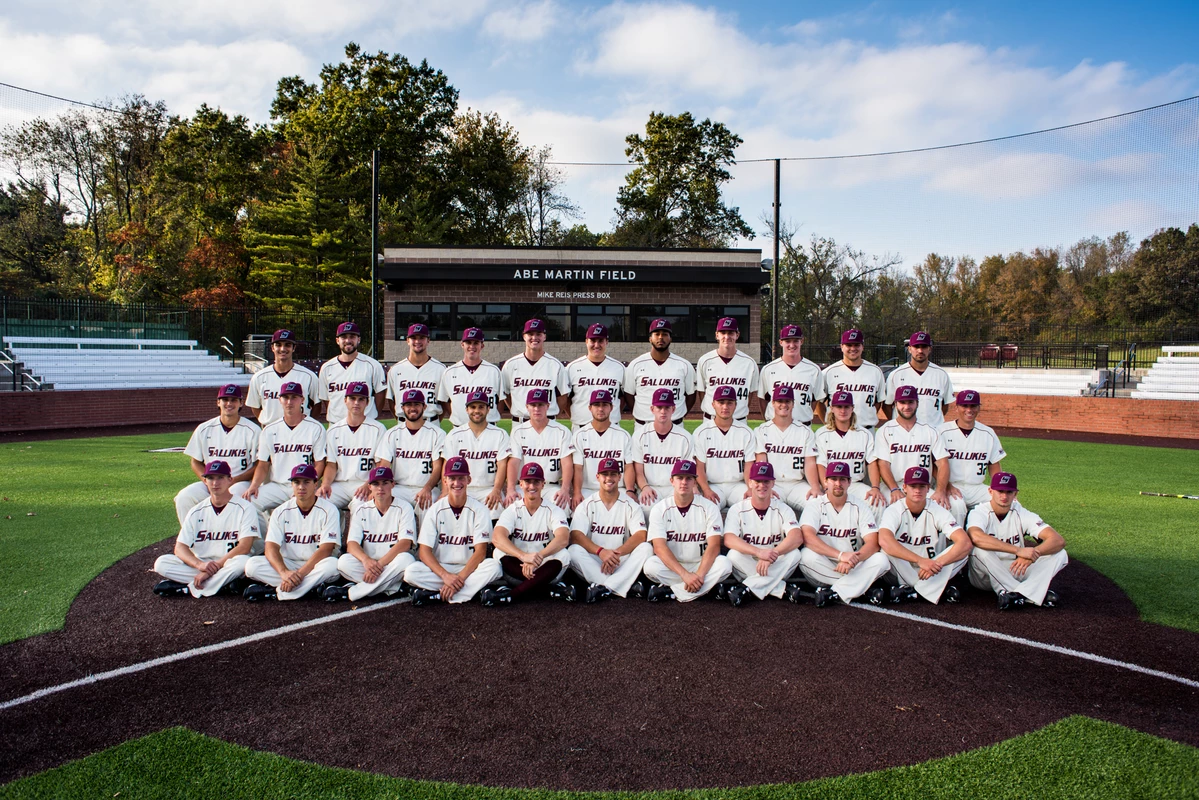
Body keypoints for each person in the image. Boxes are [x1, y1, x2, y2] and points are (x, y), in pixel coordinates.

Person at [404, 456, 505, 606]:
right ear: (444, 481)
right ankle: (471, 591)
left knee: (494, 567)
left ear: (468, 480)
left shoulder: (480, 510)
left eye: (461, 478)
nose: (456, 483)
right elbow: (424, 552)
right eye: (452, 478)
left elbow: (480, 552)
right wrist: (446, 576)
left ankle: (438, 595)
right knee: (411, 572)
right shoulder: (435, 510)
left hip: (469, 569)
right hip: (441, 569)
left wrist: (461, 578)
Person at [153, 461, 260, 598]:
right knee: (161, 563)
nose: (215, 483)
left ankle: (187, 587)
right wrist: (200, 566)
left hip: (228, 563)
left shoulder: (245, 507)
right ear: (204, 480)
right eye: (211, 478)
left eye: (220, 477)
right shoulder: (196, 511)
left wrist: (211, 570)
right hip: (203, 564)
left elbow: (245, 547)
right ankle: (221, 585)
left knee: (244, 563)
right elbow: (180, 548)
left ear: (230, 480)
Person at [967, 472, 1068, 609]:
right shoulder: (979, 512)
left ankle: (1017, 595)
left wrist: (1033, 554)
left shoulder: (1021, 513)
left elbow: (1057, 540)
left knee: (1060, 554)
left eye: (1009, 492)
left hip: (1015, 568)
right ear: (990, 491)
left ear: (1015, 494)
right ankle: (1032, 593)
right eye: (1000, 491)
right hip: (984, 576)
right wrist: (1018, 550)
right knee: (979, 550)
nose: (1004, 496)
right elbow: (976, 537)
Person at [797, 461, 890, 607]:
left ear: (849, 482)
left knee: (882, 559)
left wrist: (852, 561)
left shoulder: (860, 506)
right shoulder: (814, 505)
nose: (838, 483)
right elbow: (808, 538)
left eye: (842, 479)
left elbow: (873, 543)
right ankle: (861, 589)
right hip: (825, 564)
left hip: (854, 564)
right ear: (826, 481)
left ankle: (835, 592)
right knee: (804, 556)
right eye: (833, 479)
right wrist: (840, 556)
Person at [243, 464, 341, 601]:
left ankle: (277, 590)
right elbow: (271, 547)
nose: (301, 487)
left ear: (315, 484)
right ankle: (308, 588)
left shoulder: (329, 510)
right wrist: (284, 572)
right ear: (292, 485)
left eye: (306, 482)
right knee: (251, 566)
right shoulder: (280, 511)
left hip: (316, 565)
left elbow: (326, 549)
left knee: (333, 566)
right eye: (297, 482)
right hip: (288, 564)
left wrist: (300, 574)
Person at [878, 466, 972, 604]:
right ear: (904, 487)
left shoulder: (938, 510)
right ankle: (935, 588)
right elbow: (884, 540)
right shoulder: (894, 510)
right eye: (913, 486)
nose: (917, 490)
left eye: (922, 486)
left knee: (963, 553)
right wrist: (920, 561)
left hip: (933, 569)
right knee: (885, 551)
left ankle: (913, 592)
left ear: (928, 488)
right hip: (904, 568)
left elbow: (965, 542)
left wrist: (937, 563)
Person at [643, 459, 732, 602]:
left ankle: (673, 591)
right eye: (679, 478)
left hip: (702, 565)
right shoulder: (659, 509)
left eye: (689, 478)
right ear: (672, 481)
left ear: (695, 482)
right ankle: (705, 589)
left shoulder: (710, 508)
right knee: (650, 566)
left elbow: (714, 546)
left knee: (725, 564)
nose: (684, 482)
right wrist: (685, 575)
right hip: (673, 567)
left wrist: (700, 575)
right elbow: (659, 548)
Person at [325, 467, 417, 603]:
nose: (380, 488)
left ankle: (352, 592)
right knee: (343, 562)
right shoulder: (362, 509)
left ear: (393, 484)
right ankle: (394, 587)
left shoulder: (404, 507)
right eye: (376, 484)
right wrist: (366, 561)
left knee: (406, 560)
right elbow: (352, 544)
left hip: (391, 563)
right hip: (369, 565)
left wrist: (379, 565)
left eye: (385, 483)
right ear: (369, 487)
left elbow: (405, 543)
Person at [174, 384, 261, 525]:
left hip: (240, 482)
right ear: (218, 402)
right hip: (211, 482)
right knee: (185, 497)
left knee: (236, 496)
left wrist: (234, 480)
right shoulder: (204, 429)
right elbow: (195, 461)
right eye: (225, 399)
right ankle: (191, 541)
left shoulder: (252, 430)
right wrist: (207, 481)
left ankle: (236, 541)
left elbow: (259, 465)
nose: (229, 403)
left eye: (233, 400)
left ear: (240, 403)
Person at [568, 457, 652, 602]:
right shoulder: (587, 504)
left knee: (646, 548)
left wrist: (616, 555)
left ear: (620, 477)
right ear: (598, 477)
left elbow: (640, 535)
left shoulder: (630, 504)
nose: (609, 478)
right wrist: (601, 552)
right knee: (573, 551)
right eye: (605, 474)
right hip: (595, 558)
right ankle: (621, 585)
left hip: (620, 559)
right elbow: (575, 535)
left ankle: (604, 588)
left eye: (613, 474)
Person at [722, 462, 804, 606]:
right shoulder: (737, 509)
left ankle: (748, 588)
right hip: (750, 561)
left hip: (774, 561)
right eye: (758, 481)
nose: (762, 485)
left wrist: (772, 554)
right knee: (733, 556)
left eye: (766, 481)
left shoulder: (783, 508)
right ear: (750, 483)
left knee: (795, 554)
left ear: (773, 483)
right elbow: (729, 539)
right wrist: (759, 552)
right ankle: (781, 589)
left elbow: (797, 537)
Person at [490, 463, 572, 602]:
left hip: (544, 564)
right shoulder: (513, 509)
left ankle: (512, 595)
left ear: (543, 484)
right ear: (520, 484)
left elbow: (563, 539)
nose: (532, 486)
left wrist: (537, 558)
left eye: (536, 482)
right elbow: (497, 537)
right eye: (528, 481)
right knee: (498, 552)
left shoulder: (553, 510)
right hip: (520, 568)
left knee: (564, 554)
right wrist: (523, 557)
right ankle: (547, 591)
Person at [242, 381, 327, 515]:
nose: (289, 402)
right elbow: (263, 465)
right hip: (278, 486)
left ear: (302, 400)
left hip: (304, 484)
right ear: (280, 400)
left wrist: (309, 485)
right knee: (249, 501)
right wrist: (254, 486)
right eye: (286, 397)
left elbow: (320, 463)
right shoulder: (269, 430)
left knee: (325, 504)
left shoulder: (315, 428)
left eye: (294, 397)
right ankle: (264, 535)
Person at [934, 390, 1007, 525]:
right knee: (957, 507)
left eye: (973, 406)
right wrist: (946, 486)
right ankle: (957, 543)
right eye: (964, 406)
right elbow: (934, 465)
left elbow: (994, 465)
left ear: (979, 408)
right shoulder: (942, 431)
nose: (969, 410)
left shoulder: (988, 433)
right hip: (953, 485)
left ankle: (1002, 538)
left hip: (977, 487)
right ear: (956, 408)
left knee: (1009, 501)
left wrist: (1000, 489)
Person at [372, 389, 445, 522]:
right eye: (408, 405)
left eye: (416, 404)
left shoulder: (437, 433)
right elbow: (384, 465)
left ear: (424, 406)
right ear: (402, 408)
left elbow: (438, 467)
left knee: (427, 503)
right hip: (399, 487)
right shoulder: (392, 434)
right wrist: (383, 487)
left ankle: (425, 542)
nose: (412, 408)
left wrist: (427, 488)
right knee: (382, 497)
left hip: (426, 487)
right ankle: (393, 540)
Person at [442, 389, 511, 520]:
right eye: (473, 407)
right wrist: (446, 491)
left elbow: (502, 465)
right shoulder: (455, 434)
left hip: (488, 489)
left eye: (481, 407)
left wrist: (497, 490)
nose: (477, 411)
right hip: (461, 488)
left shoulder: (500, 434)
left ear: (488, 409)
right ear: (467, 409)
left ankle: (490, 541)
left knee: (496, 509)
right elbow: (447, 465)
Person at [875, 385, 947, 507]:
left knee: (942, 504)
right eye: (902, 402)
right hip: (895, 484)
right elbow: (883, 464)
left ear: (917, 403)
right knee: (879, 504)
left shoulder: (930, 430)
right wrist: (894, 489)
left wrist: (940, 491)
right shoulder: (884, 431)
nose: (907, 407)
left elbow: (943, 463)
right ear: (895, 404)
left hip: (922, 486)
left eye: (910, 402)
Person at [320, 382, 387, 512]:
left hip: (365, 483)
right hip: (339, 484)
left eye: (361, 399)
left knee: (359, 507)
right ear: (345, 400)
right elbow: (331, 465)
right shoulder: (334, 430)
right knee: (320, 502)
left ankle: (355, 534)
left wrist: (370, 484)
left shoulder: (378, 429)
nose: (356, 403)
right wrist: (325, 484)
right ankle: (332, 533)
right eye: (352, 398)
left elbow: (381, 465)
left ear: (367, 402)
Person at [814, 390, 887, 511]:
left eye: (846, 407)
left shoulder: (864, 434)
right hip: (832, 484)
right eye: (839, 406)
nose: (843, 411)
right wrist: (826, 487)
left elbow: (872, 463)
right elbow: (821, 465)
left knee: (877, 503)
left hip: (855, 483)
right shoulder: (821, 434)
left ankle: (870, 530)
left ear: (852, 408)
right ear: (831, 408)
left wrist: (875, 487)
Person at [753, 385, 820, 515]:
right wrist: (764, 485)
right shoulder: (761, 431)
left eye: (787, 401)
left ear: (793, 404)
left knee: (817, 503)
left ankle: (807, 534)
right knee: (769, 505)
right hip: (773, 483)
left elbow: (810, 462)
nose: (784, 405)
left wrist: (815, 487)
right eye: (780, 401)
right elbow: (761, 462)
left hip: (797, 484)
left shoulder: (805, 431)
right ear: (772, 403)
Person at [623, 318, 696, 432]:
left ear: (670, 338)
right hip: (644, 425)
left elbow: (691, 395)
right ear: (650, 339)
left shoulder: (684, 365)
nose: (660, 337)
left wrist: (679, 414)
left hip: (675, 425)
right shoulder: (636, 364)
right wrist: (641, 413)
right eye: (656, 334)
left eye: (665, 334)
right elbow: (628, 394)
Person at [507, 388, 575, 509]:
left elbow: (567, 462)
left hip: (551, 486)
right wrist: (511, 489)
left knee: (562, 504)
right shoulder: (518, 431)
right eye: (533, 405)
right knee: (513, 504)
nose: (537, 409)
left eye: (540, 405)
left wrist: (565, 489)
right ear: (527, 406)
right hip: (525, 485)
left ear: (548, 406)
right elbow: (514, 462)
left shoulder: (562, 431)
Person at [629, 388, 695, 510]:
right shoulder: (640, 435)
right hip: (650, 487)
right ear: (652, 409)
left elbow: (687, 472)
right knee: (646, 507)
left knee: (678, 508)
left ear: (673, 409)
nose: (663, 411)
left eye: (667, 407)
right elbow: (638, 471)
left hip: (675, 487)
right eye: (659, 407)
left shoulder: (685, 437)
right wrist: (644, 487)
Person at [692, 385, 755, 510]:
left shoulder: (746, 432)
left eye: (729, 403)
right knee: (707, 508)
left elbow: (749, 466)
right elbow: (699, 467)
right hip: (712, 485)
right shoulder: (701, 432)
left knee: (752, 504)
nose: (725, 407)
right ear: (713, 404)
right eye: (721, 402)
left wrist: (750, 488)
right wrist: (706, 489)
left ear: (735, 405)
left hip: (738, 485)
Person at [571, 388, 635, 506]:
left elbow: (628, 467)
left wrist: (630, 490)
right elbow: (578, 468)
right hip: (587, 489)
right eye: (596, 405)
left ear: (611, 407)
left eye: (605, 405)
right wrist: (576, 492)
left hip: (617, 488)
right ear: (590, 408)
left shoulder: (623, 435)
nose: (600, 409)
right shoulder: (580, 435)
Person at [317, 321, 386, 426]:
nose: (348, 341)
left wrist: (372, 416)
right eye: (343, 337)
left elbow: (380, 394)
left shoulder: (372, 365)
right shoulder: (327, 368)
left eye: (352, 337)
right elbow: (327, 400)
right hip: (336, 426)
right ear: (337, 340)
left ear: (358, 339)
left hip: (366, 425)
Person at [501, 318, 570, 423]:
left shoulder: (556, 365)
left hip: (547, 423)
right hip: (520, 423)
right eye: (530, 334)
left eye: (538, 334)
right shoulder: (511, 364)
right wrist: (520, 410)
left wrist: (549, 416)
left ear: (544, 336)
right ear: (524, 336)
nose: (534, 337)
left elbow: (563, 398)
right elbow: (506, 394)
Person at [245, 329, 318, 426]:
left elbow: (317, 405)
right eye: (278, 345)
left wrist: (307, 425)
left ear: (294, 348)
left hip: (300, 429)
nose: (283, 349)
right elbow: (255, 406)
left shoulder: (308, 376)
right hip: (270, 432)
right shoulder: (259, 377)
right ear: (272, 347)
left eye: (287, 345)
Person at [695, 316, 760, 423]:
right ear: (717, 335)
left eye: (731, 333)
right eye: (723, 332)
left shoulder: (749, 363)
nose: (727, 336)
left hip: (739, 420)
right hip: (711, 420)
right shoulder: (705, 360)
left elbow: (750, 394)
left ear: (737, 335)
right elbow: (702, 392)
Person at [758, 324, 825, 425]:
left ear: (801, 341)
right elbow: (763, 399)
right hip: (774, 427)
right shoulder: (768, 369)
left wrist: (803, 415)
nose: (792, 345)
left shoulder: (813, 370)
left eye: (796, 341)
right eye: (787, 341)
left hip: (803, 426)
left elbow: (815, 400)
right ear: (781, 342)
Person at [437, 327, 505, 428]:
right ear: (462, 344)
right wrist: (457, 416)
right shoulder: (450, 372)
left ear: (482, 345)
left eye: (476, 343)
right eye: (468, 342)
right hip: (460, 427)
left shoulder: (493, 371)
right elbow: (444, 400)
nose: (472, 346)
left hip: (488, 427)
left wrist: (493, 417)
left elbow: (501, 400)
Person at [819, 328, 885, 431]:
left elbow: (878, 402)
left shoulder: (875, 371)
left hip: (867, 430)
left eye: (856, 345)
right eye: (849, 345)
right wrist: (828, 424)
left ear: (862, 347)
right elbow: (819, 403)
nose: (853, 348)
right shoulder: (828, 373)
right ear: (841, 347)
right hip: (836, 430)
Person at [884, 331, 954, 427]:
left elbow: (944, 405)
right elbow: (887, 405)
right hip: (904, 431)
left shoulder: (941, 374)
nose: (920, 351)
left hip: (933, 431)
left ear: (930, 349)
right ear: (909, 349)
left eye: (924, 347)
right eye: (916, 347)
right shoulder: (896, 375)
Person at [565, 323, 626, 425]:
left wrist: (614, 414)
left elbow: (624, 397)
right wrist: (575, 417)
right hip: (581, 427)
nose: (596, 345)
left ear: (606, 342)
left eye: (601, 341)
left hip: (611, 427)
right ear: (586, 342)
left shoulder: (619, 368)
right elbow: (565, 399)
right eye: (593, 340)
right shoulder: (572, 368)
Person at [385, 322, 446, 421]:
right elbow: (391, 401)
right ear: (407, 340)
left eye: (422, 337)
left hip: (431, 423)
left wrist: (435, 420)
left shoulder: (441, 369)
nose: (417, 341)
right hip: (404, 425)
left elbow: (444, 402)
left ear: (428, 340)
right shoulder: (396, 370)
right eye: (414, 338)